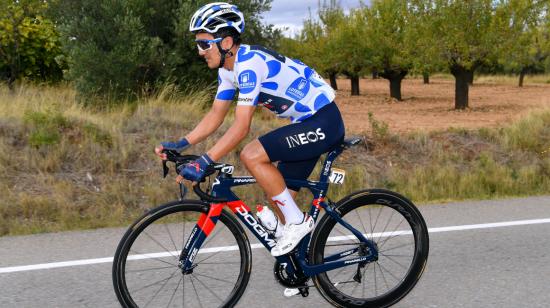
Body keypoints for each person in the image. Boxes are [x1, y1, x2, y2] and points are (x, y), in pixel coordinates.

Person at [155, 2, 345, 257]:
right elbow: (215, 115)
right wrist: (181, 144)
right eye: (197, 45)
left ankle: (299, 224)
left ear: (226, 42)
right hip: (304, 124)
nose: (199, 52)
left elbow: (242, 126)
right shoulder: (227, 70)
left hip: (323, 121)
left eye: (203, 44)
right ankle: (303, 267)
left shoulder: (249, 64)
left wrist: (205, 160)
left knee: (252, 154)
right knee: (279, 196)